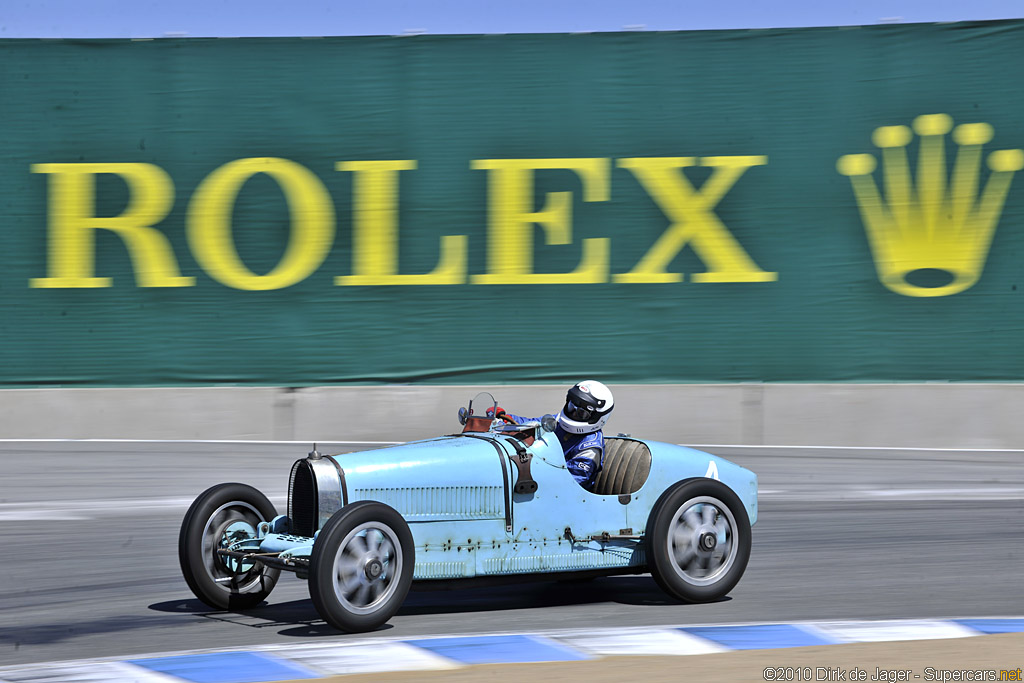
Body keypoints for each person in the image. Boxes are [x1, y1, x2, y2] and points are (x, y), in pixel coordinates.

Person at [498, 380, 614, 492]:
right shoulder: (558, 422)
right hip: (538, 479)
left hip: (564, 499)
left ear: (596, 417)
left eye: (581, 412)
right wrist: (501, 419)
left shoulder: (589, 448)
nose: (573, 412)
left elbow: (571, 482)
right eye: (571, 406)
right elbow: (530, 424)